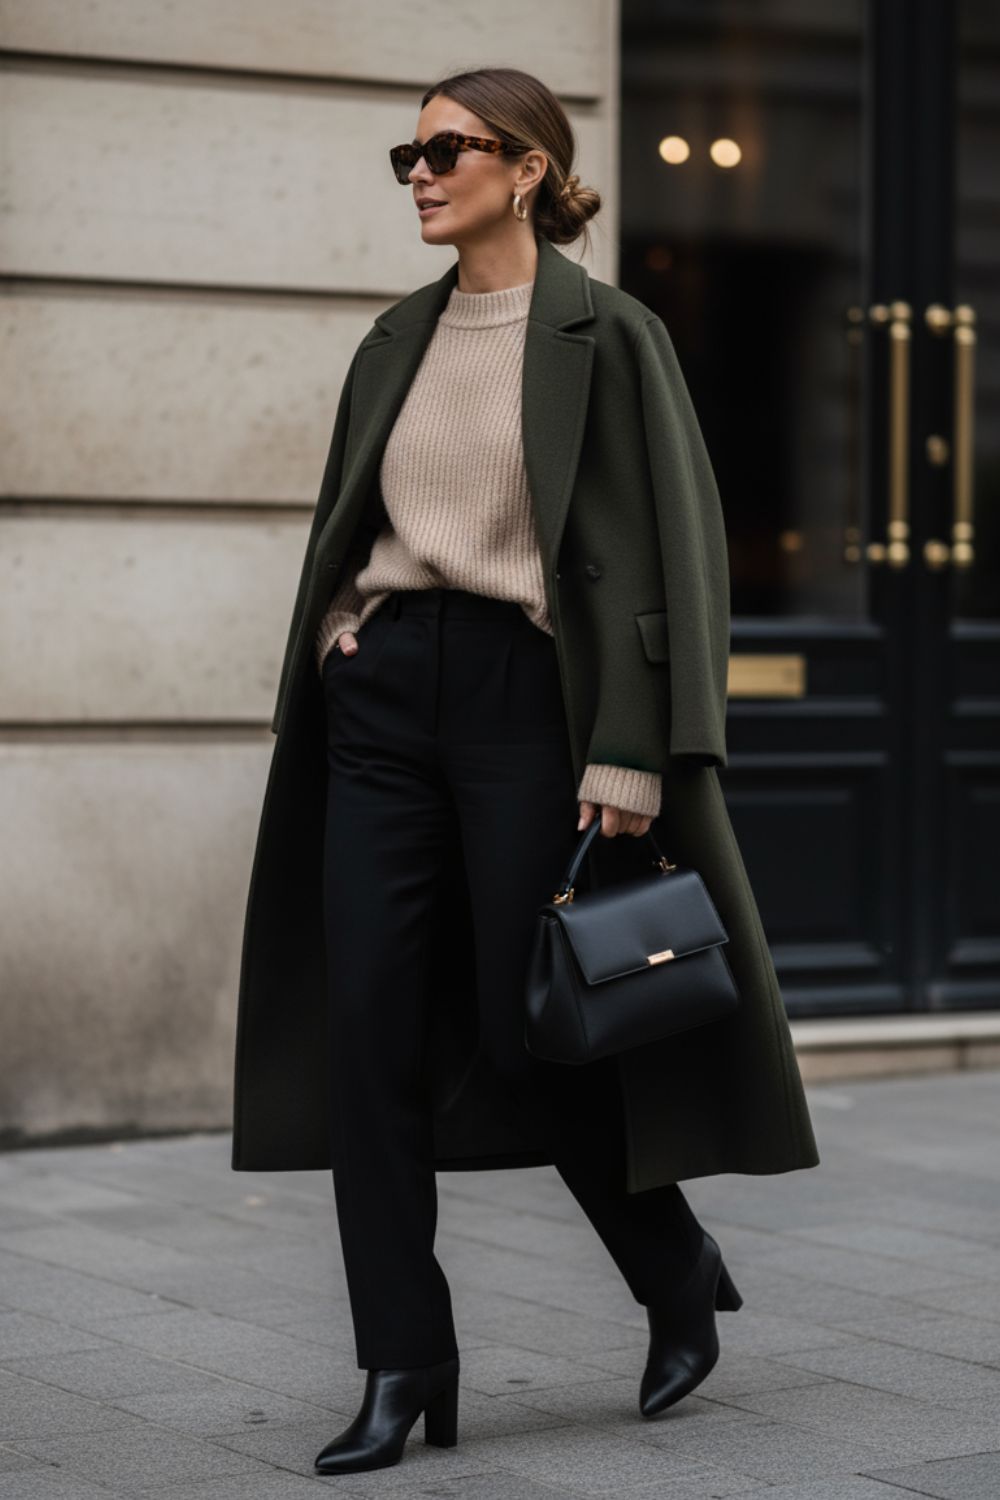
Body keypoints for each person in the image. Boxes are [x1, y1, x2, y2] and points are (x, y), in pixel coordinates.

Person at [231, 64, 820, 1479]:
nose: (421, 175)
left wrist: (635, 743)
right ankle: (402, 1359)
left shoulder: (610, 337)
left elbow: (676, 553)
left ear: (532, 168)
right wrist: (338, 636)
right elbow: (347, 518)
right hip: (384, 702)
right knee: (368, 1032)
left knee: (532, 1022)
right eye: (410, 154)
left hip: (525, 700)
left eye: (449, 151)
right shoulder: (393, 340)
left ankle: (673, 1268)